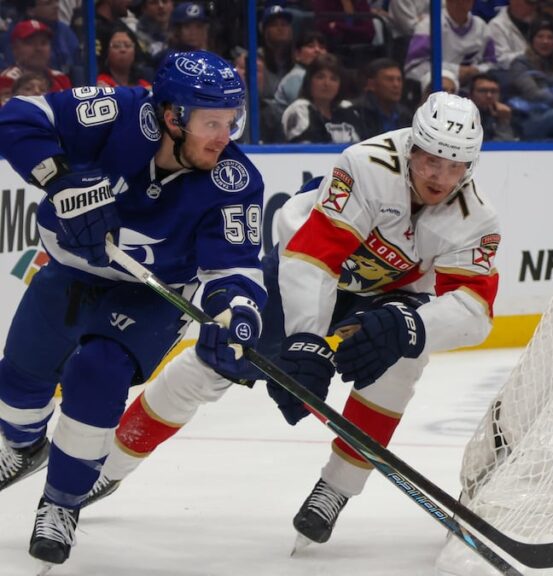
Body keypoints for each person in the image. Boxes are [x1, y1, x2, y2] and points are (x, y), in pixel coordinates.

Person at [85, 92, 500, 551]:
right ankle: (110, 464)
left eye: (454, 167)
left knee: (400, 364)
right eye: (430, 163)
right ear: (411, 150)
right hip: (298, 268)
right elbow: (315, 258)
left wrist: (411, 327)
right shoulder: (365, 165)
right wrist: (306, 339)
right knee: (218, 356)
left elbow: (475, 311)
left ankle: (336, 488)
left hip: (387, 296)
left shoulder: (476, 219)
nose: (440, 178)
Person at [0, 50, 266, 567]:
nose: (224, 136)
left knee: (98, 371)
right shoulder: (116, 113)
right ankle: (24, 443)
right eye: (212, 123)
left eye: (232, 122)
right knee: (18, 382)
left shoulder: (235, 180)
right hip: (72, 271)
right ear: (172, 116)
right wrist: (58, 178)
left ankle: (62, 502)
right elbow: (17, 116)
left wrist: (237, 315)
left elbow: (233, 270)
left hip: (151, 294)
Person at [281, 53, 361, 143]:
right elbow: (306, 149)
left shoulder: (347, 109)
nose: (327, 83)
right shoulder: (299, 109)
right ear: (309, 81)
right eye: (320, 77)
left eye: (334, 79)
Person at [0, 19, 72, 104]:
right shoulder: (6, 80)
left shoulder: (61, 79)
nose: (38, 48)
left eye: (43, 43)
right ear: (15, 48)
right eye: (30, 43)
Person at [96, 24, 152, 89]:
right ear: (106, 52)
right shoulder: (100, 83)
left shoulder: (145, 86)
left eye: (127, 45)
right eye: (116, 46)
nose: (123, 50)